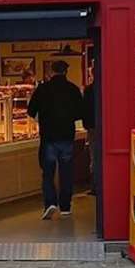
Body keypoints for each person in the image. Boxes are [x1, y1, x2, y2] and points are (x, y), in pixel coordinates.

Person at [27, 60, 83, 219]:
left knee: (48, 173)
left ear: (51, 71)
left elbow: (31, 111)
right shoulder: (72, 89)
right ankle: (65, 206)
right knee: (66, 172)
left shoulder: (42, 89)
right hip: (66, 136)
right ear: (66, 71)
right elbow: (80, 112)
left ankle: (50, 202)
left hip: (48, 137)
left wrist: (43, 117)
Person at [82, 62, 96, 196]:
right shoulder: (109, 87)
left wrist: (86, 125)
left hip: (92, 127)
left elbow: (84, 109)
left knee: (94, 157)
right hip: (103, 128)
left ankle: (95, 186)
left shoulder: (88, 90)